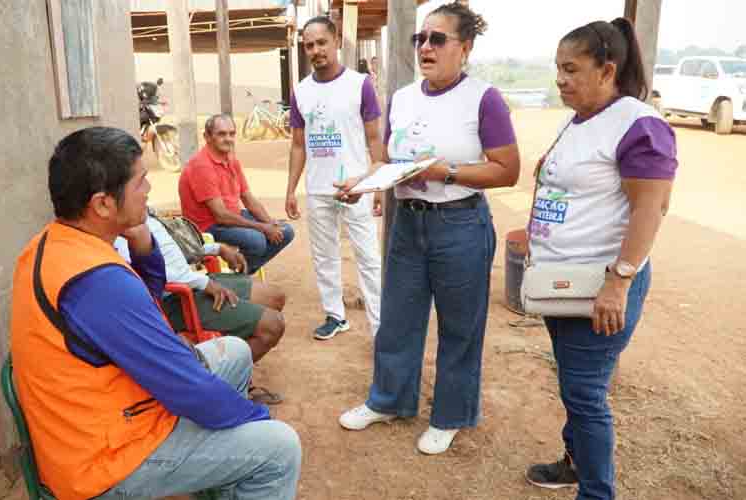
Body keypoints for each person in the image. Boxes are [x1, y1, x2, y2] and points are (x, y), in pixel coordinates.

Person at [10, 127, 301, 500]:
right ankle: (235, 466)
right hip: (104, 459)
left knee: (237, 353)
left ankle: (224, 479)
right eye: (140, 182)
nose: (149, 190)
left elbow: (140, 315)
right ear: (102, 204)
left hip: (106, 413)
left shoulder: (56, 243)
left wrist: (145, 249)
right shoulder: (96, 282)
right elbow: (183, 387)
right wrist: (254, 418)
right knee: (277, 447)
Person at [337, 3, 520, 455]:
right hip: (407, 224)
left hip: (459, 224)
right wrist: (367, 180)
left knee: (460, 326)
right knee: (398, 319)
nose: (426, 47)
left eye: (438, 39)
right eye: (421, 38)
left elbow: (507, 170)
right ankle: (389, 400)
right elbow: (388, 160)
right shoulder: (402, 97)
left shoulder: (483, 98)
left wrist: (446, 172)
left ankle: (451, 414)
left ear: (466, 47)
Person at [524, 19, 677, 500]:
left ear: (607, 69)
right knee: (574, 383)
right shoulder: (581, 118)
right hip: (561, 280)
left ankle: (596, 492)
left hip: (599, 288)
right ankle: (575, 461)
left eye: (571, 69)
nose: (560, 80)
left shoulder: (638, 124)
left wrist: (620, 281)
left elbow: (651, 207)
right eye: (557, 69)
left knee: (585, 394)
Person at [114, 212, 287, 404]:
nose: (147, 188)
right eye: (139, 183)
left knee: (275, 297)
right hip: (175, 297)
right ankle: (222, 387)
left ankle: (232, 374)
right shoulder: (119, 225)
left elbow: (176, 250)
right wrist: (203, 283)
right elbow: (142, 273)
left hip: (192, 282)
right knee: (272, 325)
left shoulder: (141, 211)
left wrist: (217, 248)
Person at [286, 16, 384, 340]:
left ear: (336, 41)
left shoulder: (360, 85)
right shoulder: (301, 91)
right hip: (318, 189)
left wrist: (376, 183)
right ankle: (335, 315)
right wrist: (291, 189)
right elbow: (298, 144)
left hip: (357, 186)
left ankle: (380, 326)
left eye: (321, 42)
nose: (316, 50)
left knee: (368, 256)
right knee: (324, 255)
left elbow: (374, 141)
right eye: (309, 45)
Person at [180, 114, 295, 275]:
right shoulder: (201, 166)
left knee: (285, 231)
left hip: (231, 217)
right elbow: (221, 216)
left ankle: (241, 275)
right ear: (207, 137)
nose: (228, 139)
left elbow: (248, 199)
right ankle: (239, 279)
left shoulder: (231, 160)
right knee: (257, 241)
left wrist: (270, 223)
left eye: (231, 134)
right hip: (208, 226)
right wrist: (263, 227)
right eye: (221, 134)